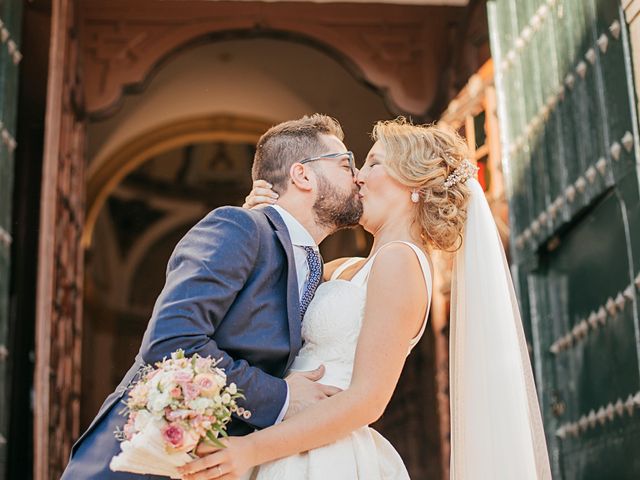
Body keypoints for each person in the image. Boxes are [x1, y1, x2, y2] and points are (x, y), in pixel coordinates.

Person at [180, 118, 552, 480]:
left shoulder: (402, 261)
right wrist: (260, 221)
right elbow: (260, 312)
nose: (357, 176)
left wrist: (252, 451)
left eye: (373, 163)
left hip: (321, 456)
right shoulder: (342, 267)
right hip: (279, 440)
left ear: (413, 184)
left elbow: (367, 400)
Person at [60, 114, 363, 479]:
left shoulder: (312, 266)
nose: (358, 176)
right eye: (346, 163)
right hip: (142, 464)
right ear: (302, 175)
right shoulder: (239, 227)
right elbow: (173, 342)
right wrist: (283, 397)